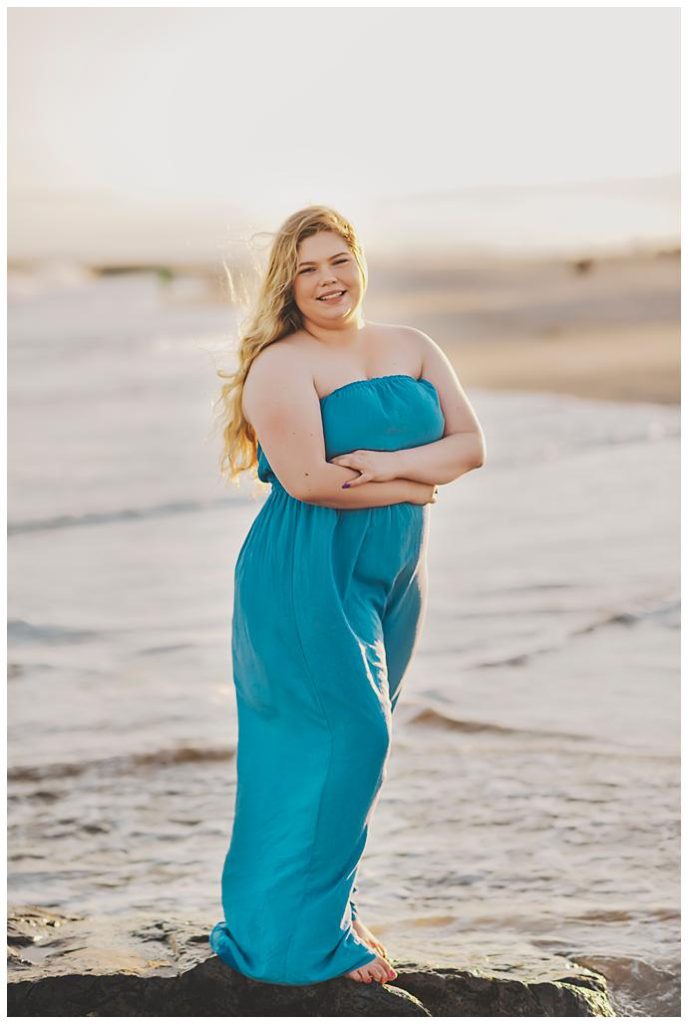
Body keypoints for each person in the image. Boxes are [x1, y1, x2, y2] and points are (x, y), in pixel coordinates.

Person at [209, 205, 485, 987]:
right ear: (288, 287)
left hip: (393, 577)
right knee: (348, 738)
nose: (328, 280)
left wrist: (400, 478)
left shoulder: (412, 345)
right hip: (303, 574)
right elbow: (309, 482)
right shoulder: (282, 365)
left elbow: (472, 445)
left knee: (344, 747)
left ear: (360, 262)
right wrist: (417, 485)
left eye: (338, 261)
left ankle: (329, 906)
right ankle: (299, 942)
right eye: (307, 269)